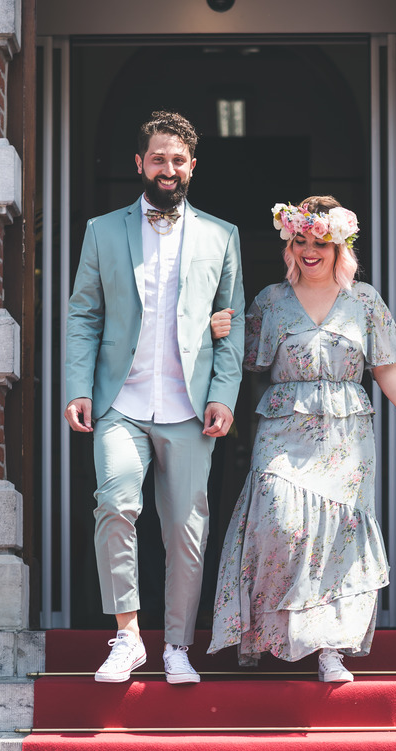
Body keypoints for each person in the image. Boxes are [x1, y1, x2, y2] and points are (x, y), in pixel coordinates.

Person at [207, 196, 396, 682]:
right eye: (300, 241)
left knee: (337, 535)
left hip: (347, 432)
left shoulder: (364, 300)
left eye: (320, 243)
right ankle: (270, 633)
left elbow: (384, 365)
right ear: (289, 246)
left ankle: (329, 648)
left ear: (339, 248)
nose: (310, 251)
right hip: (283, 426)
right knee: (279, 521)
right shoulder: (270, 300)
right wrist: (217, 330)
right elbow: (238, 356)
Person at [65, 111, 244, 685]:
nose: (168, 168)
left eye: (178, 159)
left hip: (189, 409)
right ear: (140, 163)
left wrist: (224, 395)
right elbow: (83, 315)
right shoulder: (102, 230)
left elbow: (232, 324)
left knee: (187, 532)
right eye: (158, 158)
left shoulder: (222, 235)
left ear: (192, 166)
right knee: (115, 505)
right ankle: (127, 637)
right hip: (120, 401)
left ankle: (177, 647)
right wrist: (78, 388)